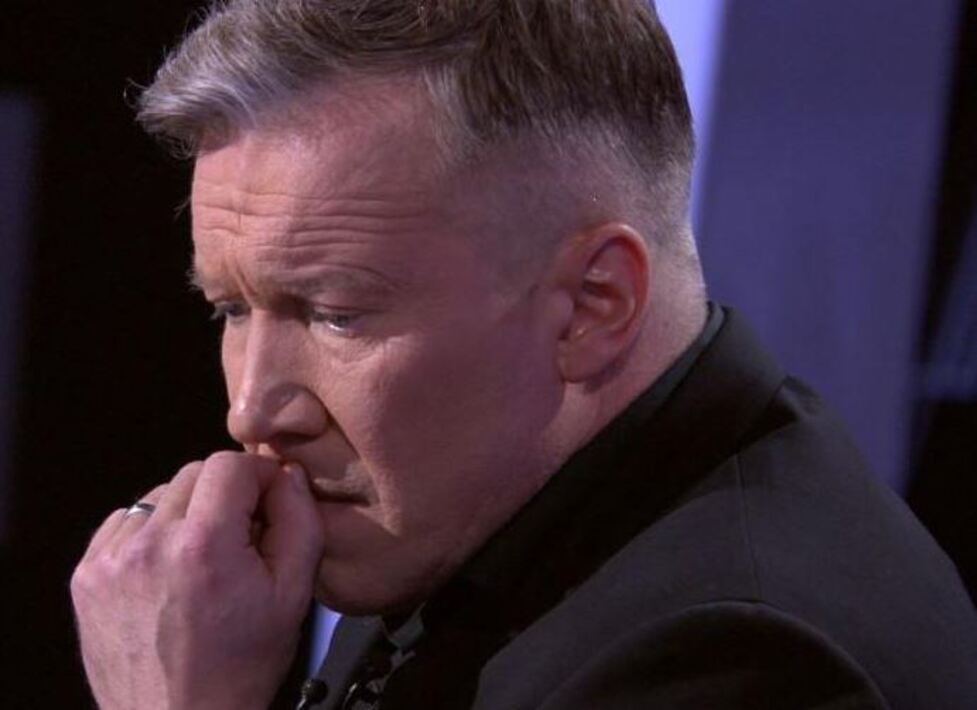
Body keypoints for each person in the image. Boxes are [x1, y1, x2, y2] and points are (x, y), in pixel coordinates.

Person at [70, 1, 977, 708]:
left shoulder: (739, 658)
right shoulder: (482, 520)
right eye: (231, 308)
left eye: (337, 315)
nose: (252, 408)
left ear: (591, 305)